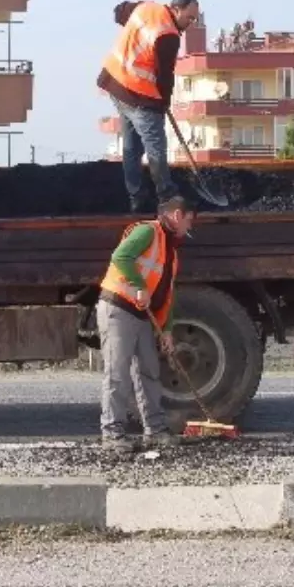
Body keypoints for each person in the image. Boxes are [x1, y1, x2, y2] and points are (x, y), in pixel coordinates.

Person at [97, 195, 196, 455]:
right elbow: (120, 256)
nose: (189, 228)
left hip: (141, 315)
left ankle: (155, 430)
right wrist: (139, 287)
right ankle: (112, 433)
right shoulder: (147, 231)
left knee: (149, 372)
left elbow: (167, 295)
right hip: (119, 309)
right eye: (188, 221)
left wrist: (166, 330)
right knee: (117, 373)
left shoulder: (170, 252)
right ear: (176, 215)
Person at [97, 0, 201, 213]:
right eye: (189, 18)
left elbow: (119, 11)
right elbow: (165, 76)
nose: (191, 24)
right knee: (156, 147)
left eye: (195, 20)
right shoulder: (169, 36)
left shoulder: (145, 8)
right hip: (137, 93)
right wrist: (163, 104)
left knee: (131, 147)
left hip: (115, 83)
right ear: (176, 9)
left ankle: (136, 197)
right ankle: (167, 195)